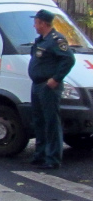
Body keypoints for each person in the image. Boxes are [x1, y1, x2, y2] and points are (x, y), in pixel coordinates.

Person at [28, 9, 75, 169]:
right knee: (39, 121)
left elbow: (68, 59)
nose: (34, 25)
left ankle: (53, 158)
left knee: (51, 122)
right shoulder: (41, 40)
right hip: (37, 85)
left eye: (36, 22)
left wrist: (56, 79)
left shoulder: (56, 40)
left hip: (48, 87)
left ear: (42, 23)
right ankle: (40, 154)